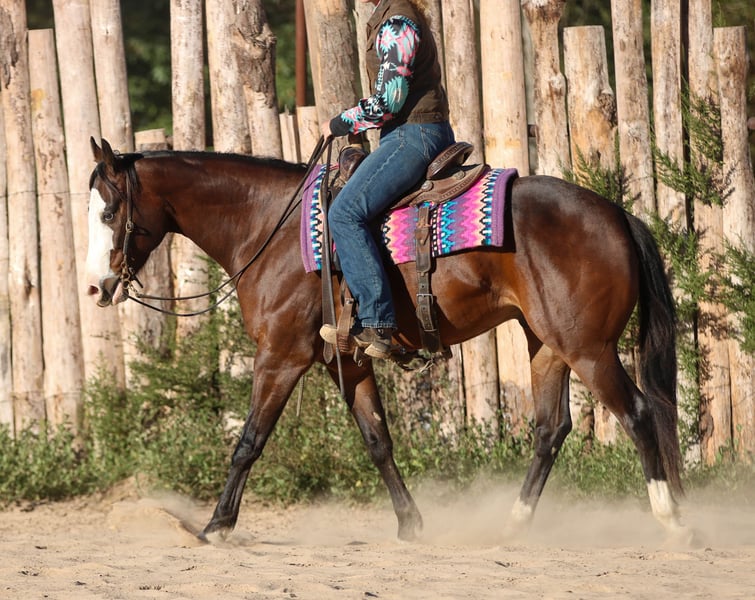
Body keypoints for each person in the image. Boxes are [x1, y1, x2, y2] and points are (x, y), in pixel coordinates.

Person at [319, 0, 455, 359]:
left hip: (413, 136)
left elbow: (390, 101)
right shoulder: (391, 16)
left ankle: (377, 322)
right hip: (411, 133)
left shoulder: (397, 23)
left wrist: (340, 123)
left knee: (344, 214)